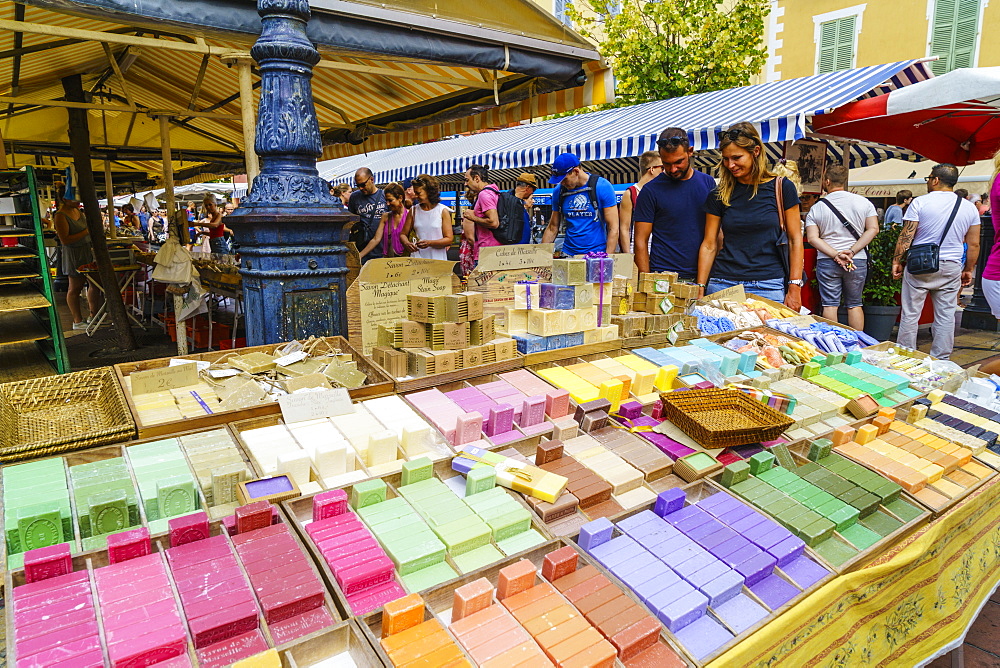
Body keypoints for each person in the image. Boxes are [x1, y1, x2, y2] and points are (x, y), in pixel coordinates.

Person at [696, 122, 803, 308]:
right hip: (722, 283)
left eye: (737, 157)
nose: (731, 165)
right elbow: (709, 244)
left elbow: (795, 239)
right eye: (726, 159)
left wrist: (795, 286)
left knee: (768, 337)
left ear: (756, 152)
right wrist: (700, 286)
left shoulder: (782, 187)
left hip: (768, 285)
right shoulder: (719, 194)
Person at [893, 164, 981, 360]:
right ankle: (941, 359)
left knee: (911, 313)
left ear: (935, 180)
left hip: (919, 264)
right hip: (951, 264)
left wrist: (897, 261)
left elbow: (906, 236)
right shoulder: (968, 207)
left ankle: (904, 357)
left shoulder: (919, 203)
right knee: (946, 315)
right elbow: (974, 244)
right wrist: (968, 269)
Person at [804, 165, 879, 330]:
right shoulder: (864, 202)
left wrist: (836, 254)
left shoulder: (817, 208)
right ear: (845, 182)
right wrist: (852, 251)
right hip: (856, 260)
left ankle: (834, 347)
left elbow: (812, 238)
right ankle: (857, 348)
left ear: (827, 181)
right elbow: (873, 229)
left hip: (827, 260)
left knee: (830, 304)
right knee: (854, 304)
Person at [633, 128, 715, 278]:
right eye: (666, 164)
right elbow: (640, 241)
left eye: (679, 162)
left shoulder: (708, 183)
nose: (673, 169)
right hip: (663, 275)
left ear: (690, 151)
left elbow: (717, 233)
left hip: (703, 274)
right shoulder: (650, 191)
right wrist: (646, 281)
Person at [542, 153, 620, 255]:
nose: (562, 183)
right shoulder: (559, 191)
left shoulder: (602, 186)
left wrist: (606, 259)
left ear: (576, 171)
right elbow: (552, 227)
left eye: (564, 179)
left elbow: (613, 228)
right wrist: (541, 257)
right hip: (568, 253)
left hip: (596, 254)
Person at [53, 194, 100, 330]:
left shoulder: (78, 211)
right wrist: (86, 231)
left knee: (95, 284)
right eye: (74, 198)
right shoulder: (60, 215)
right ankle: (77, 320)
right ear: (64, 199)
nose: (77, 201)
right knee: (75, 287)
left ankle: (94, 315)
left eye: (78, 198)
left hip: (87, 250)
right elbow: (65, 240)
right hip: (73, 253)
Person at [619, 151, 663, 252]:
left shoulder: (662, 192)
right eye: (662, 168)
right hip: (637, 252)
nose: (665, 171)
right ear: (652, 169)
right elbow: (624, 229)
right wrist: (628, 256)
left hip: (660, 253)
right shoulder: (631, 193)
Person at [461, 165, 501, 268]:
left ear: (477, 178)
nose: (465, 184)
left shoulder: (484, 195)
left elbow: (493, 222)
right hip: (495, 251)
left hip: (487, 252)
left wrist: (472, 217)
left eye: (467, 180)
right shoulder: (494, 191)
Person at [406, 174, 453, 260]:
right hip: (418, 258)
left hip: (438, 259)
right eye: (415, 193)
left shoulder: (442, 210)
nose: (416, 196)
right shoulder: (413, 211)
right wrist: (407, 243)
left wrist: (430, 243)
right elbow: (403, 234)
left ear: (428, 191)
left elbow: (449, 239)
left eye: (418, 193)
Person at [359, 183, 411, 259]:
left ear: (400, 198)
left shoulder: (410, 215)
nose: (387, 203)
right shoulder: (386, 216)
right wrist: (360, 255)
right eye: (386, 200)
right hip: (389, 262)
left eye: (390, 200)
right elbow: (376, 239)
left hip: (406, 261)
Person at [348, 167, 387, 263]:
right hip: (361, 247)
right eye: (358, 185)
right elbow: (351, 222)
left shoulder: (384, 196)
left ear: (371, 180)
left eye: (363, 185)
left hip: (381, 250)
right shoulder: (354, 197)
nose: (360, 188)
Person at [514, 173, 538, 245]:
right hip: (515, 250)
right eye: (532, 190)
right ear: (527, 188)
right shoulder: (515, 206)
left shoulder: (517, 205)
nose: (533, 201)